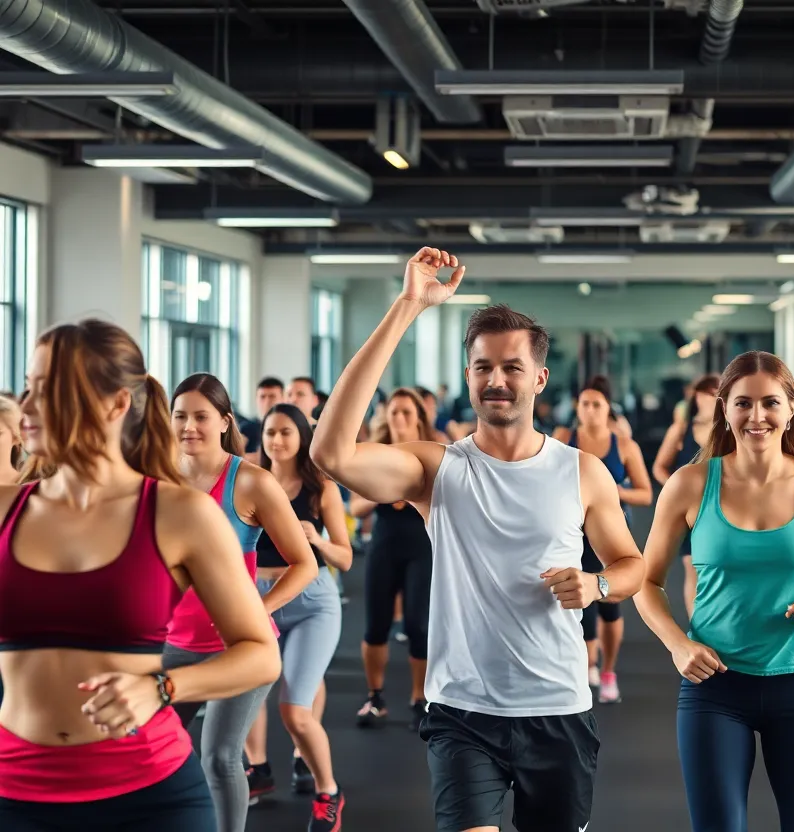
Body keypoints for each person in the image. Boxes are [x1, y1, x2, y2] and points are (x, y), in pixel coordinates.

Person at [312, 247, 646, 832]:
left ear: (539, 378)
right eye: (482, 367)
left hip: (558, 707)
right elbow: (330, 454)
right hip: (462, 710)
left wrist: (597, 583)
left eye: (512, 367)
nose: (496, 380)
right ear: (468, 374)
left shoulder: (581, 471)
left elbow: (632, 566)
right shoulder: (437, 470)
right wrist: (408, 305)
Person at [0, 319, 279, 831]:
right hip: (15, 792)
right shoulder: (4, 510)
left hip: (150, 796)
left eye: (51, 389)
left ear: (115, 405)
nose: (29, 407)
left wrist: (163, 687)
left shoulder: (181, 513)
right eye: (29, 387)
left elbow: (260, 654)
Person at [635, 351, 794, 832]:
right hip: (714, 688)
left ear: (791, 409)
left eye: (770, 403)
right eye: (743, 403)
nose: (757, 416)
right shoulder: (689, 484)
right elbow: (647, 582)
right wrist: (678, 644)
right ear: (724, 408)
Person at [165, 373, 319, 832]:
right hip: (176, 641)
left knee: (218, 756)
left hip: (241, 645)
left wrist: (260, 610)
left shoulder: (251, 482)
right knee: (150, 743)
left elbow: (304, 563)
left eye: (200, 416)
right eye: (180, 416)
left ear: (224, 421)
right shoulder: (160, 477)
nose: (189, 426)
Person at [244, 404, 352, 831]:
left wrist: (317, 541)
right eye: (271, 431)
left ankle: (329, 790)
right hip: (256, 595)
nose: (277, 440)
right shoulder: (251, 480)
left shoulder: (319, 487)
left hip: (311, 601)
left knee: (295, 711)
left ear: (302, 437)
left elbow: (344, 558)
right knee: (250, 691)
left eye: (287, 432)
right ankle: (258, 769)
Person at [555, 375, 653, 704]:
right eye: (585, 404)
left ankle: (607, 669)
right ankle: (587, 665)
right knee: (572, 601)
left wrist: (610, 490)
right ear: (577, 407)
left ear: (608, 408)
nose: (591, 410)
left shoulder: (624, 445)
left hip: (608, 533)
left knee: (608, 605)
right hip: (569, 531)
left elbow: (645, 493)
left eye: (597, 404)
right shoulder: (563, 437)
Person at [348, 387, 438, 731]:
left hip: (420, 547)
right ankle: (375, 697)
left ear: (418, 419)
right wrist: (384, 488)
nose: (399, 418)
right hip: (384, 545)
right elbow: (355, 507)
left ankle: (420, 698)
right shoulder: (374, 453)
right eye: (394, 412)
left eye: (406, 413)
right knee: (376, 627)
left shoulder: (431, 453)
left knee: (417, 626)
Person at [652, 374, 720, 618]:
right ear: (698, 397)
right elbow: (659, 467)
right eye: (709, 393)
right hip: (691, 509)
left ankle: (720, 619)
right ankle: (697, 625)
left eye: (717, 393)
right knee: (692, 566)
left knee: (719, 566)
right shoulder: (682, 429)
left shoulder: (730, 430)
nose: (713, 398)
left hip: (723, 508)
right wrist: (678, 489)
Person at [239, 376, 284, 459]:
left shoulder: (290, 427)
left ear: (283, 399)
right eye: (262, 397)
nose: (267, 401)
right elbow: (231, 458)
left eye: (272, 396)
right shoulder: (246, 428)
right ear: (256, 399)